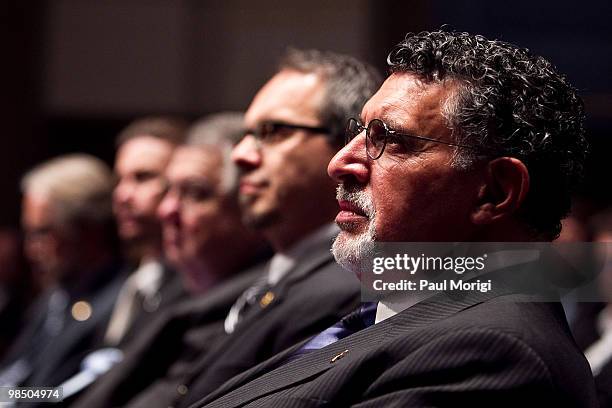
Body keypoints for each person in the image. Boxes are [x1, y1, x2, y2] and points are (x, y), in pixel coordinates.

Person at [190, 30, 597, 407]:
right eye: (360, 132)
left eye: (390, 140)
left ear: (494, 192)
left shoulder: (493, 352)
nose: (339, 163)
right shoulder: (394, 310)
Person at [66, 113, 271, 405]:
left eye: (195, 193)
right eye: (170, 190)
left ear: (251, 206)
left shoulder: (257, 305)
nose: (167, 211)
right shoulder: (164, 298)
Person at [0, 154, 122, 388]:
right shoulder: (55, 297)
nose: (31, 249)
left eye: (43, 233)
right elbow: (16, 372)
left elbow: (53, 395)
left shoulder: (115, 303)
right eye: (29, 233)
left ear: (87, 230)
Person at [106, 116, 188, 346]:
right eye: (119, 180)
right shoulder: (130, 284)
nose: (122, 195)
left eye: (143, 177)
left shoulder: (195, 288)